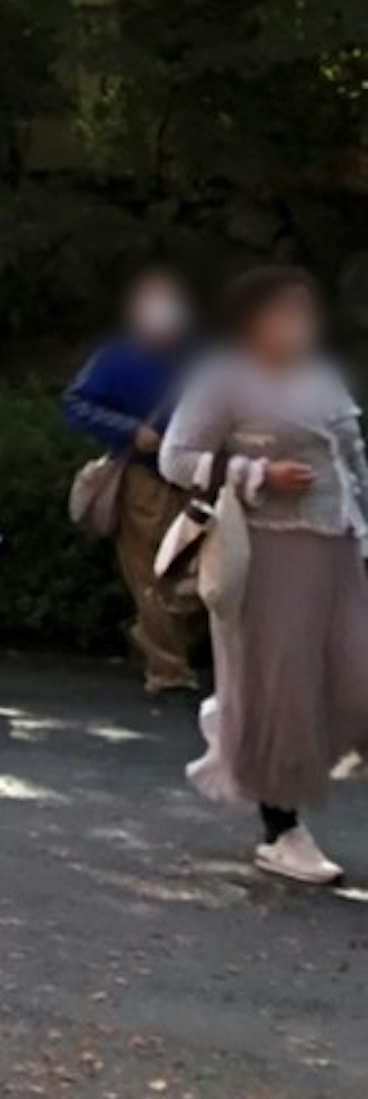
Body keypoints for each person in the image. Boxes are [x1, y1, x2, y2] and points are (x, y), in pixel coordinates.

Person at [157, 265, 368, 887]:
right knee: (282, 692)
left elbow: (353, 463)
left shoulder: (320, 376)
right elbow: (176, 457)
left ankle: (262, 741)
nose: (298, 323)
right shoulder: (223, 377)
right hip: (267, 554)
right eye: (284, 311)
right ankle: (282, 832)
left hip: (337, 545)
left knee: (357, 679)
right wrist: (256, 475)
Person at [61, 266, 209, 691]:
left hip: (201, 478)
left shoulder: (202, 358)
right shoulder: (116, 357)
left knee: (200, 577)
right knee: (151, 573)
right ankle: (167, 670)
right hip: (145, 477)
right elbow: (74, 404)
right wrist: (128, 430)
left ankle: (155, 640)